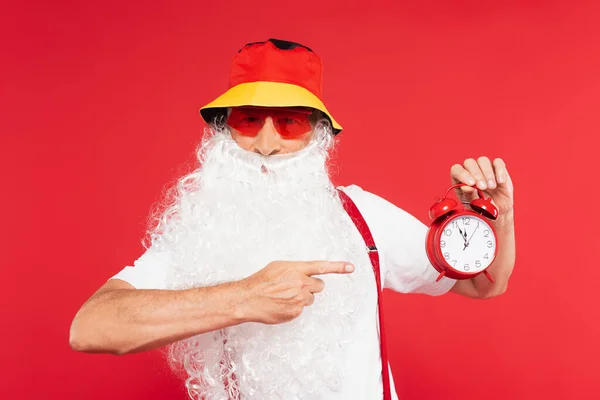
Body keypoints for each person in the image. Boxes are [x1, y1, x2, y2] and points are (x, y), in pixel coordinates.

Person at [69, 38, 516, 400]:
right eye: (248, 120)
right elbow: (91, 328)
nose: (266, 143)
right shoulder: (199, 231)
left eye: (289, 123)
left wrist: (496, 215)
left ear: (319, 134)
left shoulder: (362, 216)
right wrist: (243, 298)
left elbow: (484, 282)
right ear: (224, 130)